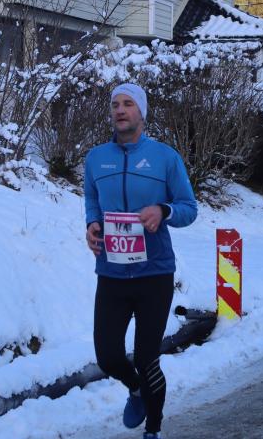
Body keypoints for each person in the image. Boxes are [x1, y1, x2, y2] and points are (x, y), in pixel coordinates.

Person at [84, 83, 197, 439]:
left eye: (128, 103)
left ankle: (154, 429)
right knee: (108, 356)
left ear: (141, 112)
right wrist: (92, 225)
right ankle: (136, 390)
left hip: (154, 273)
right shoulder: (95, 158)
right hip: (112, 272)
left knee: (148, 357)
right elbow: (91, 201)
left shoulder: (165, 158)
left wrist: (162, 210)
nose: (120, 110)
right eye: (115, 104)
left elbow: (188, 209)